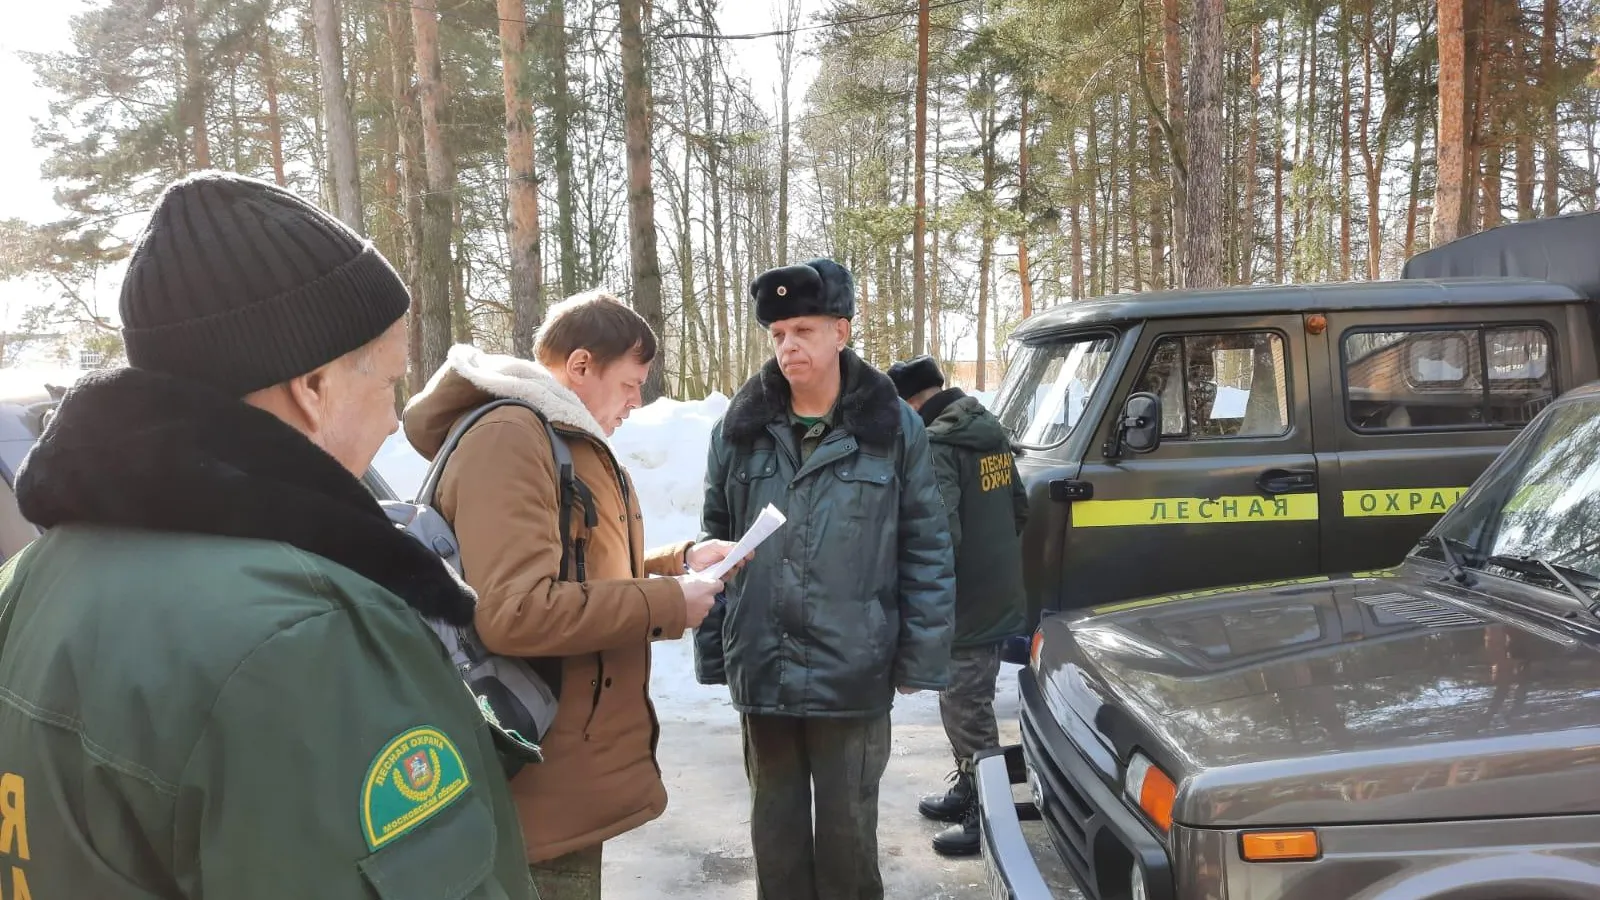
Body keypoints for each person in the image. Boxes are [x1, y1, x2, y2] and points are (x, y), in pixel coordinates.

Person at [0, 172, 536, 898]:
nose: (392, 419)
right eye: (386, 383)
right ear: (311, 388)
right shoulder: (301, 638)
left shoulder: (33, 578)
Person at [403, 291, 736, 900]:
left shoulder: (556, 436)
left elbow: (579, 570)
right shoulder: (511, 435)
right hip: (534, 774)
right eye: (631, 384)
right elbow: (515, 611)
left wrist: (677, 563)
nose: (637, 403)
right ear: (581, 365)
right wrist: (667, 603)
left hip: (562, 770)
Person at [696, 258, 955, 900]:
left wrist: (918, 657)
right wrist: (714, 651)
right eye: (779, 332)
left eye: (803, 329)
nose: (789, 346)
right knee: (775, 849)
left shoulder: (893, 429)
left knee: (847, 849)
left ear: (841, 331)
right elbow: (714, 545)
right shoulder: (740, 429)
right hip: (764, 668)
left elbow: (926, 546)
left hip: (852, 673)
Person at [888, 354, 1029, 857]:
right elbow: (1019, 507)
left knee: (968, 710)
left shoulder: (938, 445)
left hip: (964, 603)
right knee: (966, 702)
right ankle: (970, 788)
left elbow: (938, 535)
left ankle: (986, 818)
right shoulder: (988, 434)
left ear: (911, 402)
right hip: (994, 594)